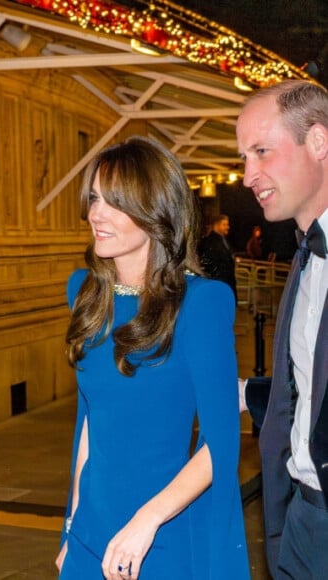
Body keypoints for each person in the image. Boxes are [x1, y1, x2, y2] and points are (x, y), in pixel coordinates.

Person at [55, 136, 249, 579]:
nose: (95, 215)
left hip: (160, 532)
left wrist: (147, 521)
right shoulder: (83, 293)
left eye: (115, 203)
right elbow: (89, 422)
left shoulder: (202, 304)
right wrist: (72, 523)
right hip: (91, 529)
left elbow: (221, 444)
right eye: (94, 199)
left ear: (156, 213)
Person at [237, 79, 328, 579]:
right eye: (244, 158)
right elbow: (314, 390)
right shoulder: (304, 257)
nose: (248, 175)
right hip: (298, 520)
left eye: (261, 152)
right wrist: (245, 392)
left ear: (318, 142)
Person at [198, 214, 238, 301]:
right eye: (224, 224)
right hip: (219, 286)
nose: (228, 227)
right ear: (217, 225)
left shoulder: (222, 240)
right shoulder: (211, 242)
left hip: (225, 285)